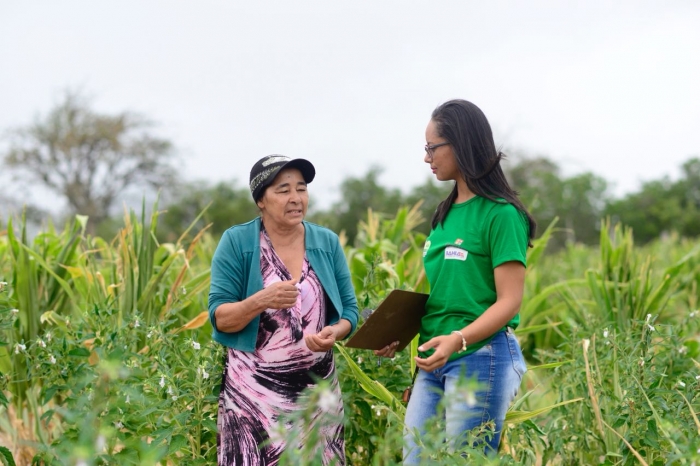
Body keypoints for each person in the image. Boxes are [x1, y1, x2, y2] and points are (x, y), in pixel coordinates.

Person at [375, 99, 536, 463]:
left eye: (433, 148)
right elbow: (448, 295)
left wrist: (460, 339)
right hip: (436, 356)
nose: (427, 158)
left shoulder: (501, 214)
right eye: (426, 149)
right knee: (416, 459)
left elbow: (509, 301)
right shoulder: (444, 215)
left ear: (460, 144)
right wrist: (397, 334)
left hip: (482, 356)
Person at [208, 154, 359, 466]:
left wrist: (335, 331)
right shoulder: (237, 242)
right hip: (254, 397)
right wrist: (262, 299)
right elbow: (221, 318)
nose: (295, 199)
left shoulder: (326, 242)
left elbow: (350, 313)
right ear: (261, 200)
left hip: (317, 394)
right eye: (283, 190)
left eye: (301, 189)